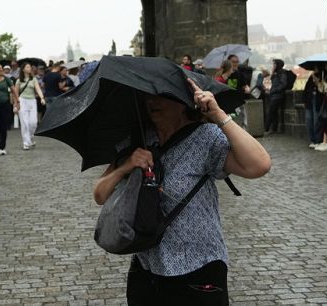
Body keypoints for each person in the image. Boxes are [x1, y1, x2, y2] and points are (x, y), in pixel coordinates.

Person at [93, 79, 271, 305]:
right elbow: (100, 194)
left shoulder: (206, 137)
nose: (152, 101)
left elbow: (259, 165)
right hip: (147, 268)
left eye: (162, 95)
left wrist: (218, 115)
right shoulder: (139, 138)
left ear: (183, 101)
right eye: (148, 95)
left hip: (198, 268)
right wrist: (126, 166)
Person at [16, 62, 46, 150]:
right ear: (23, 69)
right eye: (28, 67)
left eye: (30, 67)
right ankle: (26, 143)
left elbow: (38, 89)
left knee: (33, 123)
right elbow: (16, 93)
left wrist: (42, 98)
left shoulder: (33, 79)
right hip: (22, 101)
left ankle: (30, 137)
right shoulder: (19, 81)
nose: (30, 68)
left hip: (32, 101)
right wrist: (15, 104)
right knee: (25, 123)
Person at [264, 59, 288, 135]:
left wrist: (274, 90)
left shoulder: (282, 73)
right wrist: (273, 71)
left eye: (274, 64)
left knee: (270, 112)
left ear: (278, 65)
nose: (273, 65)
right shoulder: (277, 73)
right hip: (274, 95)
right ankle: (274, 129)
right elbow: (272, 79)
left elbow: (283, 84)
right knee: (273, 113)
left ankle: (266, 129)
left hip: (278, 95)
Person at [303, 71, 323, 148]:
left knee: (316, 120)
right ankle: (312, 140)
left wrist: (318, 82)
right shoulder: (311, 77)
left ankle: (318, 140)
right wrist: (304, 100)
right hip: (309, 100)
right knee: (309, 120)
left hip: (317, 101)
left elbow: (323, 89)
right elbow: (306, 89)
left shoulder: (323, 75)